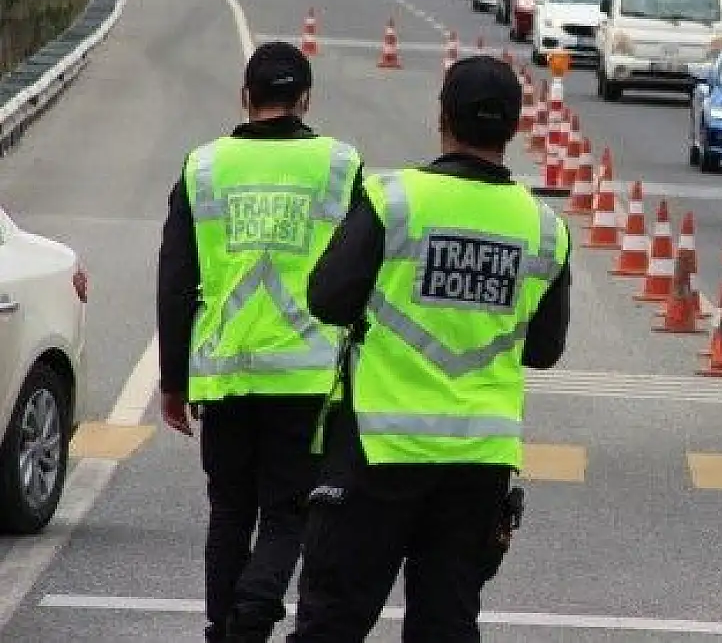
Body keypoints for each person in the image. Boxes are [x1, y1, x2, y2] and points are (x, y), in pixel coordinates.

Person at [288, 55, 573, 642]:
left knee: (332, 623)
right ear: (515, 129)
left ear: (441, 117)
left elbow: (326, 298)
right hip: (478, 461)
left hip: (379, 448)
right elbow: (544, 350)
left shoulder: (394, 200)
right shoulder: (545, 228)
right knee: (446, 625)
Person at [156, 41, 365, 643]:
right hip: (306, 377)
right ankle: (253, 610)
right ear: (305, 99)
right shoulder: (340, 166)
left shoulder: (202, 167)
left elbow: (176, 283)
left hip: (226, 374)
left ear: (245, 98)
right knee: (286, 513)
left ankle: (221, 626)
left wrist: (174, 382)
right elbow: (360, 277)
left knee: (228, 511)